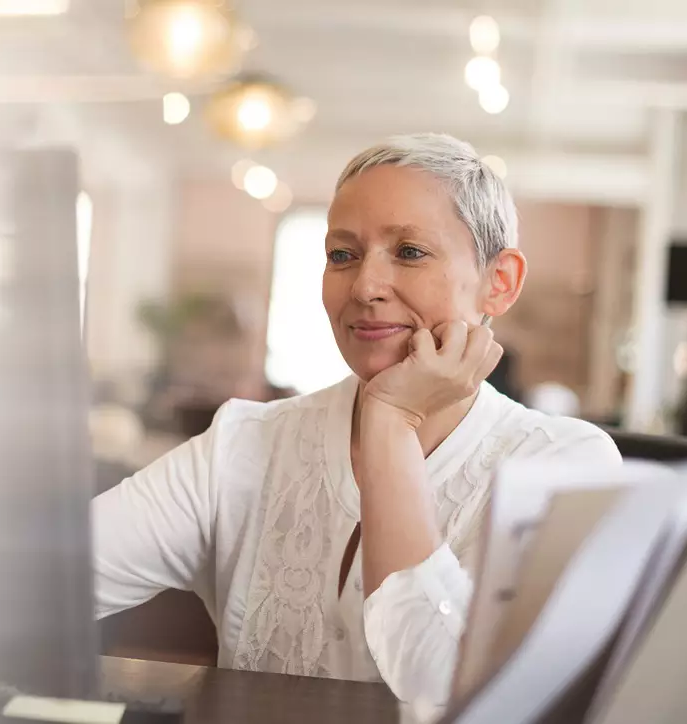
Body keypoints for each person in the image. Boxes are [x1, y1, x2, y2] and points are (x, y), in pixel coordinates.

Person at [92, 133, 621, 711]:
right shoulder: (246, 442)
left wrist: (391, 422)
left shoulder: (567, 469)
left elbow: (444, 691)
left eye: (410, 252)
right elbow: (49, 575)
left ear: (501, 282)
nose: (366, 287)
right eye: (342, 255)